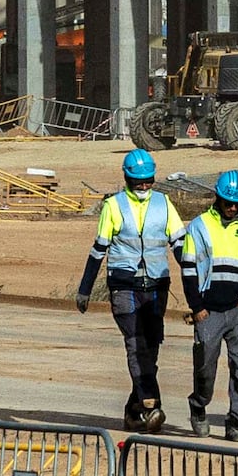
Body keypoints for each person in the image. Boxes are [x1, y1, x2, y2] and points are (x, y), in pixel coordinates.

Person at [75, 146, 179, 430]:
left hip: (157, 285)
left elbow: (180, 245)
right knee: (135, 344)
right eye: (139, 181)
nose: (144, 186)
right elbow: (98, 251)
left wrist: (196, 285)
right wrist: (85, 289)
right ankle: (151, 402)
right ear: (127, 179)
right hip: (124, 286)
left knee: (152, 346)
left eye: (149, 181)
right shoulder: (113, 206)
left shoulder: (164, 204)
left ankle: (134, 409)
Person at [178, 169, 238, 437]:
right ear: (217, 198)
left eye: (236, 203)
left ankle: (236, 422)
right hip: (208, 312)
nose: (231, 207)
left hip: (237, 311)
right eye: (227, 202)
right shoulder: (199, 227)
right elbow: (189, 269)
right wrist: (197, 307)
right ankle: (199, 405)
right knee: (205, 366)